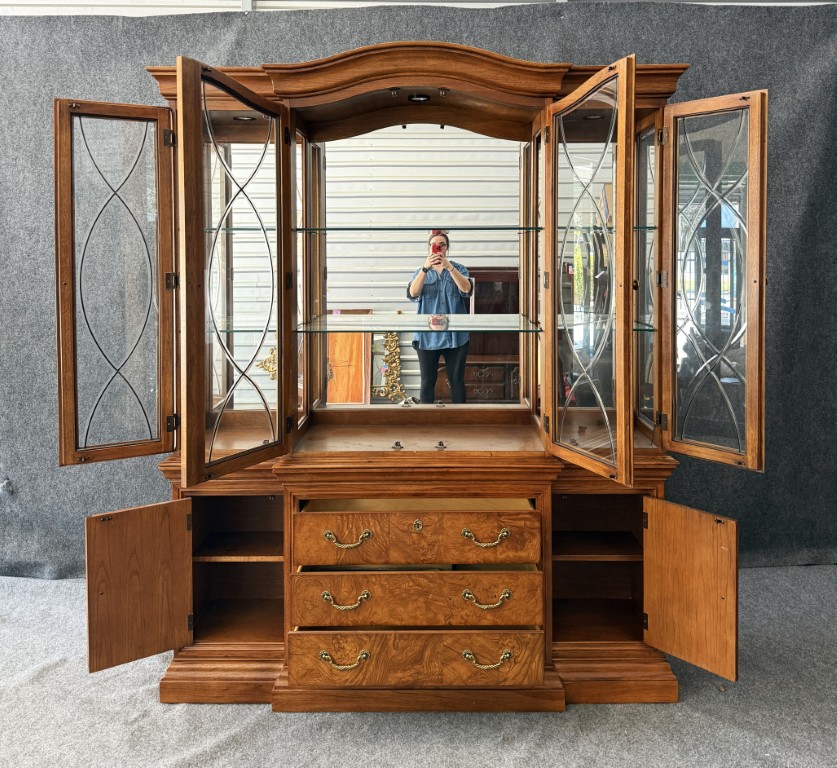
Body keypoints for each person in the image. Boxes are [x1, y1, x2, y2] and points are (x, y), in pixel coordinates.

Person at [407, 232, 472, 403]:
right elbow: (413, 293)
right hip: (427, 335)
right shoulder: (420, 271)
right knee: (427, 381)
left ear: (447, 248)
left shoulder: (459, 268)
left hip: (456, 335)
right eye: (434, 245)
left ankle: (460, 423)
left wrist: (450, 268)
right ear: (429, 248)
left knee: (457, 381)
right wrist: (424, 269)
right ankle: (425, 423)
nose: (438, 248)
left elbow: (467, 289)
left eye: (442, 244)